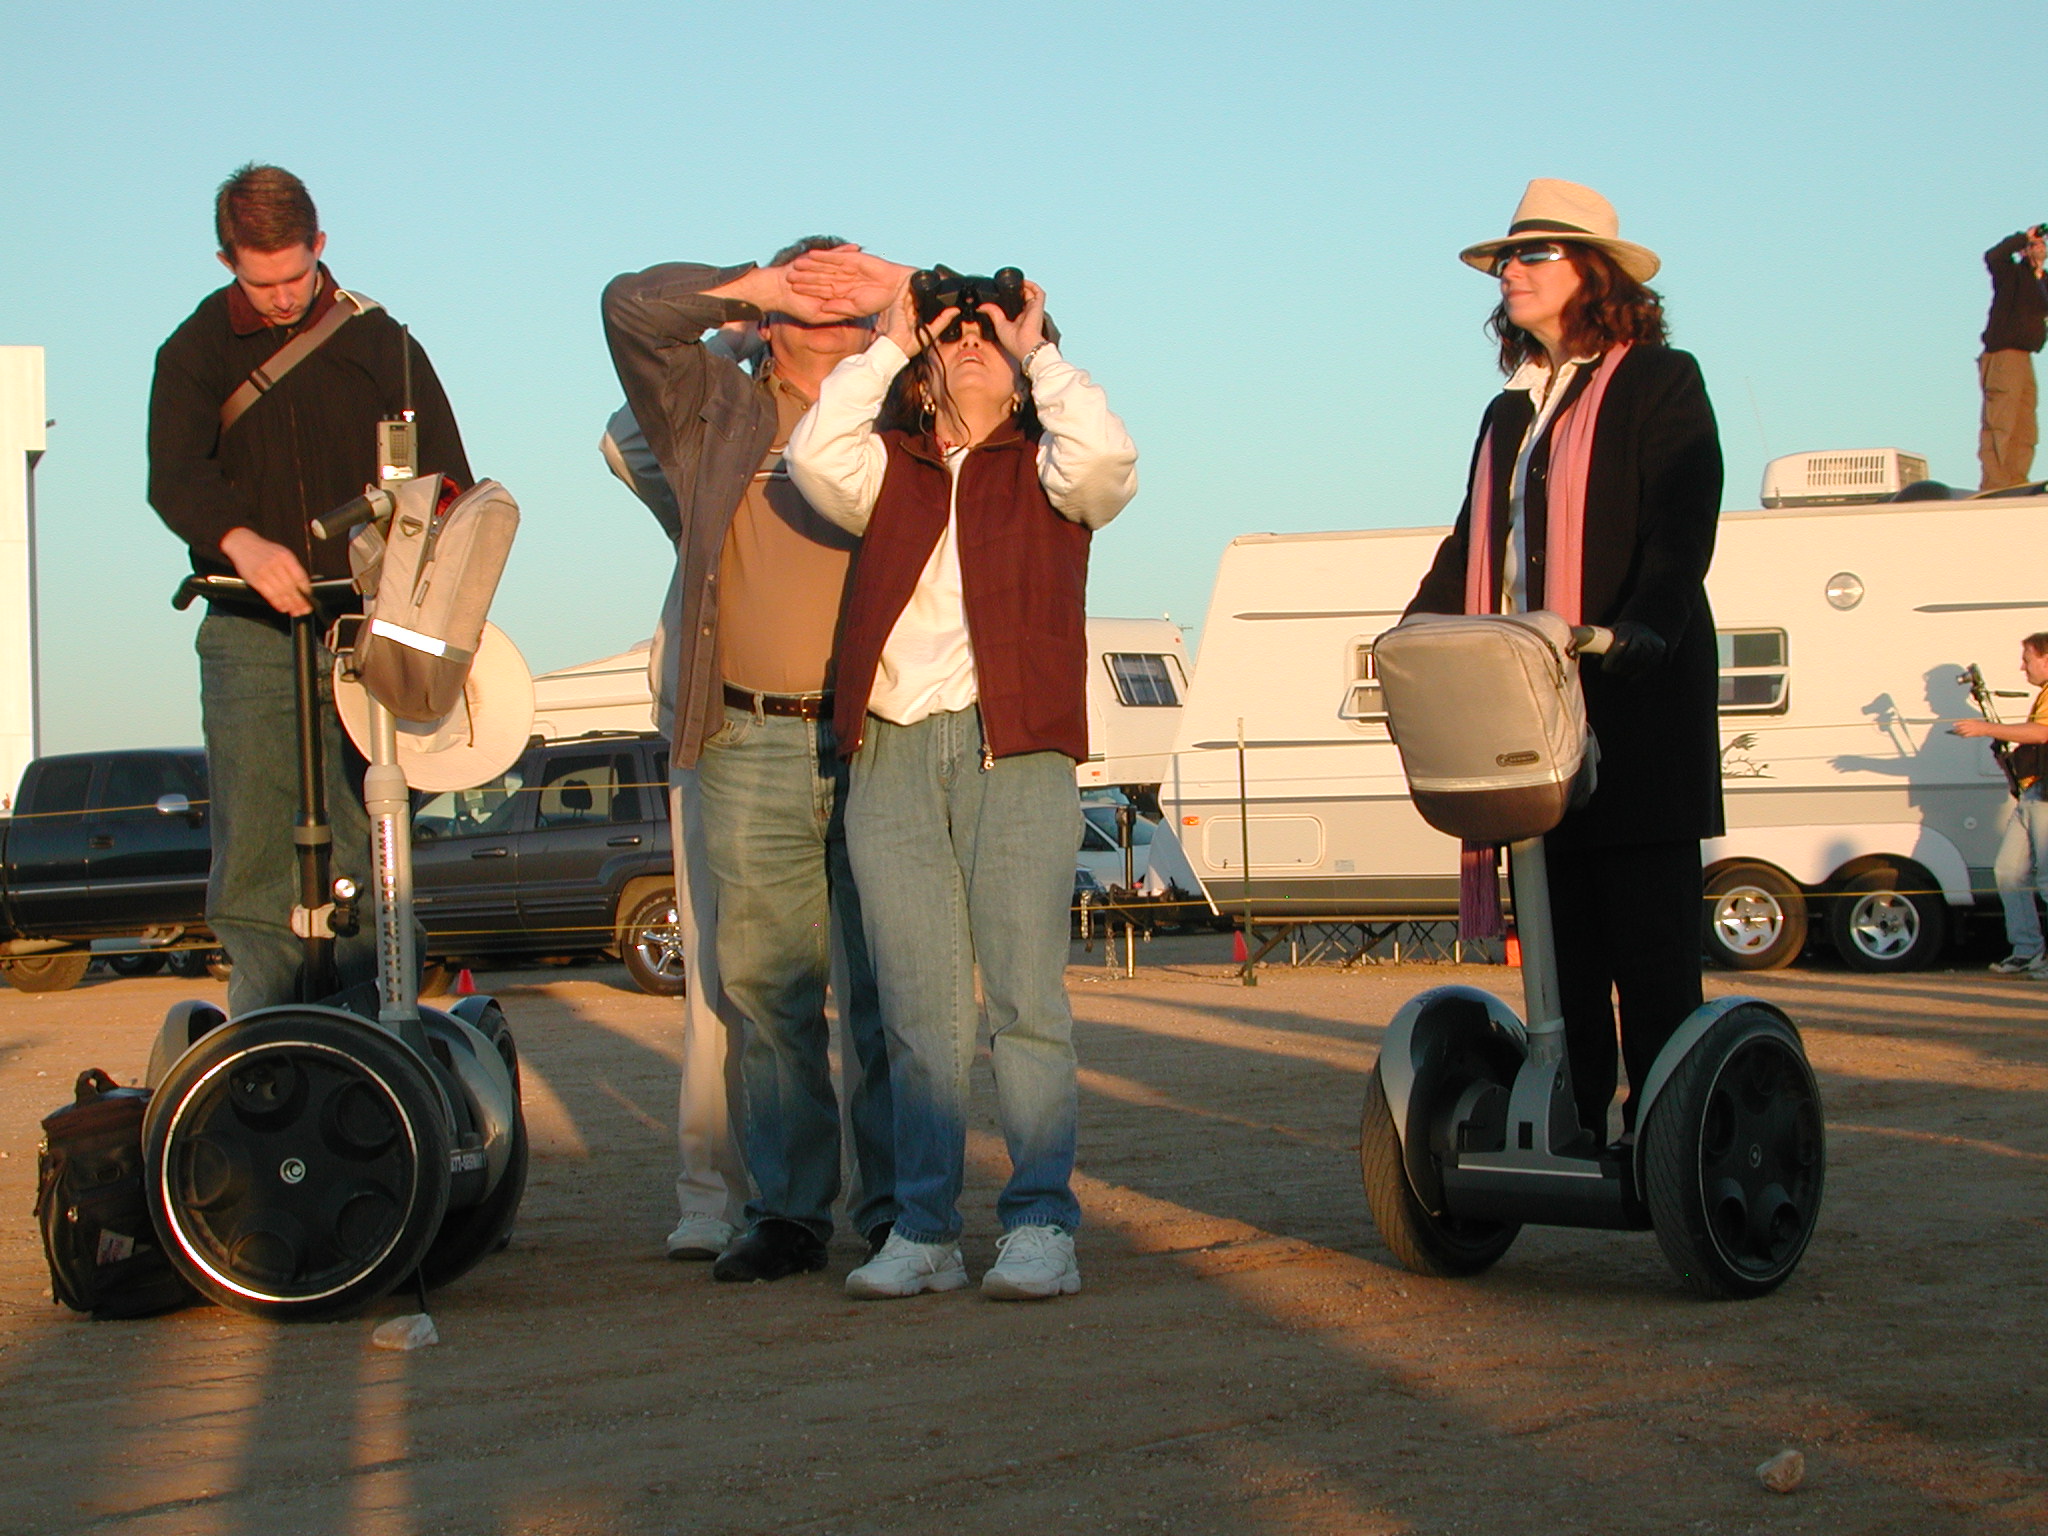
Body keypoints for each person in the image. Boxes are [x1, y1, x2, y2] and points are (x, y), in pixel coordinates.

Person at [784, 255, 1138, 1300]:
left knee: (1024, 998)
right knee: (914, 1008)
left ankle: (1039, 1225)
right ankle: (924, 1229)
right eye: (954, 332)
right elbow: (813, 450)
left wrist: (1041, 349)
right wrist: (896, 332)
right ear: (919, 367)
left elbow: (1109, 462)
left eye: (988, 329)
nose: (970, 338)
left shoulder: (1048, 468)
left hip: (1013, 742)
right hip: (890, 748)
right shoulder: (882, 467)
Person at [601, 241, 896, 1283]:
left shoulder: (911, 407)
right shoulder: (714, 413)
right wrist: (757, 289)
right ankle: (785, 1214)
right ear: (765, 317)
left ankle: (903, 1212)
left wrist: (895, 290)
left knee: (886, 988)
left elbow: (1036, 345)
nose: (823, 309)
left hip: (884, 734)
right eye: (798, 293)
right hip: (747, 735)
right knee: (765, 992)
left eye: (840, 293)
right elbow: (631, 307)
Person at [1406, 178, 1723, 1142]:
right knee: (1563, 946)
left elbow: (1681, 519)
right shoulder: (1509, 414)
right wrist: (1413, 633)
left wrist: (1649, 626)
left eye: (1534, 255)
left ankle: (1673, 1142)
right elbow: (1473, 547)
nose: (1511, 270)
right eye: (1507, 257)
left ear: (1594, 273)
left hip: (1633, 701)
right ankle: (1577, 1127)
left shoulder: (1659, 380)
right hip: (1530, 719)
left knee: (1652, 955)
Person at [148, 164, 470, 1015]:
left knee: (372, 835)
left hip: (368, 630)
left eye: (295, 273)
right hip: (249, 632)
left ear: (320, 246)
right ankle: (265, 1042)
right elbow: (174, 477)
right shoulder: (191, 353)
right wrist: (240, 541)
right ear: (227, 261)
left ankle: (377, 1033)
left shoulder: (383, 344)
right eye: (264, 281)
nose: (285, 296)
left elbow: (449, 484)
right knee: (255, 852)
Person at [1953, 634, 2048, 974]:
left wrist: (1985, 728)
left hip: (2045, 797)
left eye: (2027, 658)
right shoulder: (2043, 696)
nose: (2022, 666)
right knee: (2009, 871)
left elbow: (2041, 733)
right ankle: (2028, 950)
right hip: (2034, 794)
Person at [1977, 226, 2048, 492]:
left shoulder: (2041, 281)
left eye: (2043, 244)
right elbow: (1994, 256)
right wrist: (2023, 238)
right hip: (2004, 355)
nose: (2040, 247)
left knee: (2025, 425)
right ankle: (1995, 483)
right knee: (2002, 422)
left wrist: (2039, 269)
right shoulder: (2010, 274)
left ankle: (2016, 480)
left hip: (2025, 357)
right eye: (2035, 245)